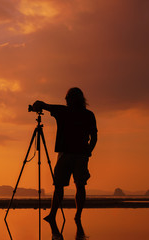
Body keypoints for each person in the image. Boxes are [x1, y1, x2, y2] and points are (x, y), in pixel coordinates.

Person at [32, 87, 97, 239]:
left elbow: (43, 104)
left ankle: (57, 214)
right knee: (77, 185)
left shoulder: (65, 111)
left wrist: (37, 105)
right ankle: (73, 215)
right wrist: (89, 151)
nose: (68, 100)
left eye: (68, 98)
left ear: (70, 99)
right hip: (79, 154)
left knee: (62, 185)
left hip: (67, 154)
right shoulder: (87, 114)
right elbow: (94, 137)